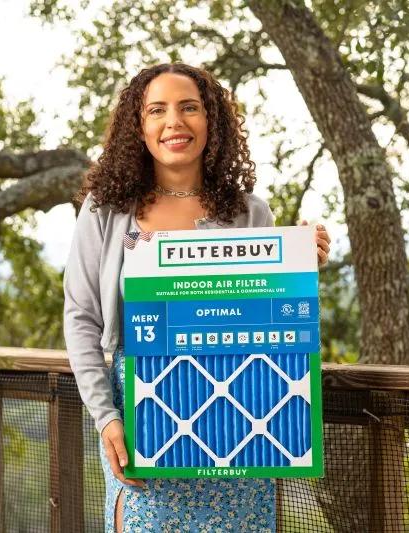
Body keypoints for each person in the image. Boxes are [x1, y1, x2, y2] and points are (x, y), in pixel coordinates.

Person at [63, 63, 331, 532]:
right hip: (144, 420)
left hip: (241, 423)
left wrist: (301, 264)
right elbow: (81, 317)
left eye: (189, 107)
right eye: (157, 110)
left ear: (211, 121)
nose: (174, 122)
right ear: (138, 126)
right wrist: (107, 418)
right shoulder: (106, 210)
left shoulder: (250, 212)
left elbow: (268, 320)